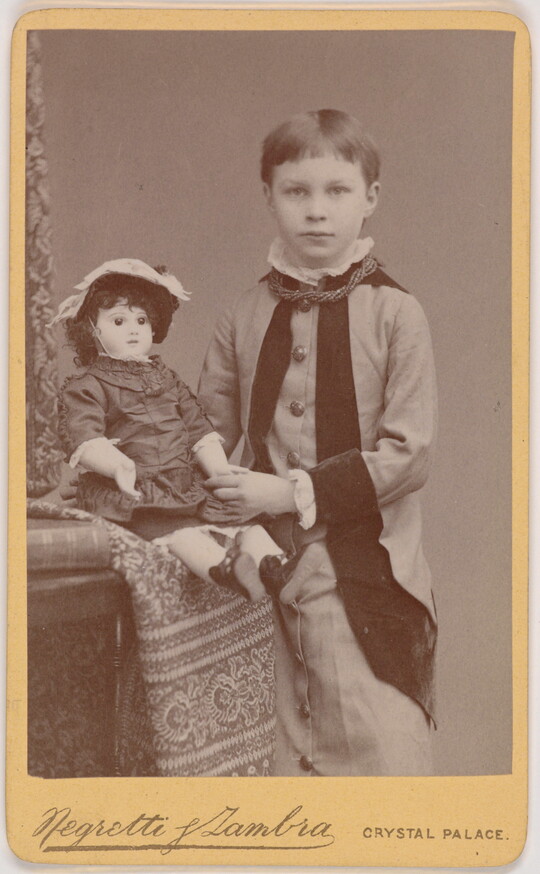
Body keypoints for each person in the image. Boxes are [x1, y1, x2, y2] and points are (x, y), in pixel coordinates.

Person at [198, 108, 438, 776]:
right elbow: (204, 435)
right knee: (274, 774)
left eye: (336, 191)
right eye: (296, 191)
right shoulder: (241, 315)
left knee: (382, 763)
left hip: (368, 579)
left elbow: (409, 454)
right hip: (264, 577)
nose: (316, 211)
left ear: (370, 199)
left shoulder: (397, 314)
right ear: (268, 197)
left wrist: (288, 489)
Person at [49, 258, 287, 601]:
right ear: (91, 329)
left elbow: (197, 428)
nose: (133, 329)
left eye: (141, 320)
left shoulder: (167, 380)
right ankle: (224, 569)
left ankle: (277, 567)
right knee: (181, 535)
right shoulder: (87, 386)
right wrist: (117, 464)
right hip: (134, 491)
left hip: (182, 482)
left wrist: (219, 470)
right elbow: (83, 435)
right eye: (119, 320)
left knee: (243, 524)